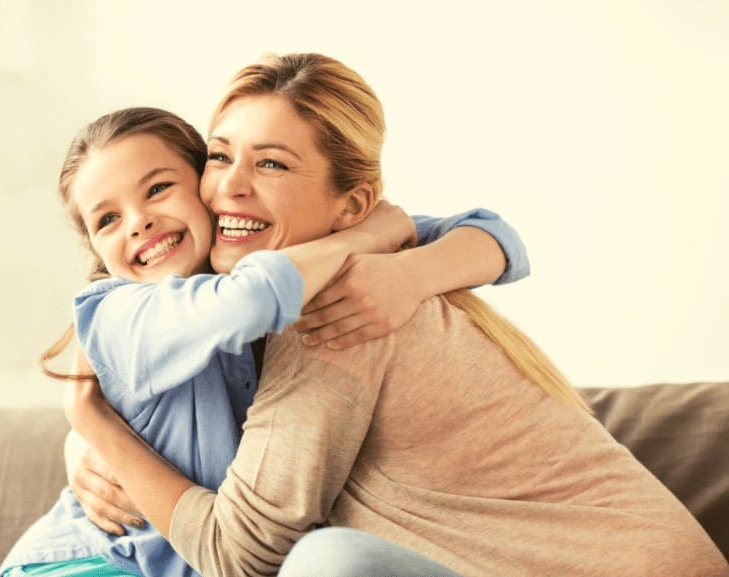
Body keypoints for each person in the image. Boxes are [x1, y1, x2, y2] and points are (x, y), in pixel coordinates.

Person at [63, 53, 729, 577]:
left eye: (270, 163)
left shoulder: (342, 309)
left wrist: (95, 425)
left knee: (326, 566)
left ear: (351, 207)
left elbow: (240, 556)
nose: (230, 185)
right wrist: (81, 450)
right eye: (219, 154)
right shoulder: (291, 288)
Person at [0, 103, 531, 577]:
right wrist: (366, 236)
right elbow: (254, 299)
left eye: (158, 189)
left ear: (207, 188)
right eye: (106, 219)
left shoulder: (257, 274)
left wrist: (410, 273)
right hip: (88, 564)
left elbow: (495, 237)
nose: (138, 223)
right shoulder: (116, 312)